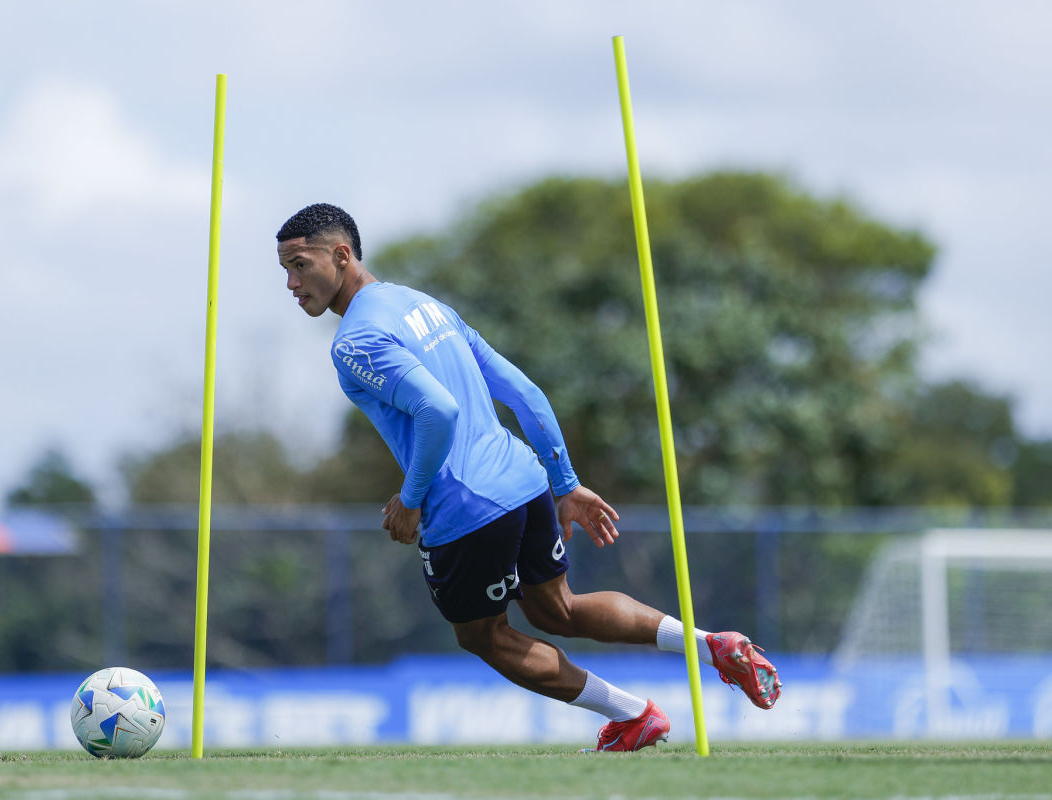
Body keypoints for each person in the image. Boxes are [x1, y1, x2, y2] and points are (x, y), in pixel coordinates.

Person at [277, 203, 781, 751]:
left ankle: (634, 715)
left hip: (465, 504)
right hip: (524, 479)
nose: (291, 282)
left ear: (342, 256)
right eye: (285, 269)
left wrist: (412, 497)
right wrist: (565, 483)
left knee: (483, 635)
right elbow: (525, 393)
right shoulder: (429, 307)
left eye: (300, 265)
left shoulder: (354, 342)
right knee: (556, 607)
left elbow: (437, 412)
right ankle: (713, 645)